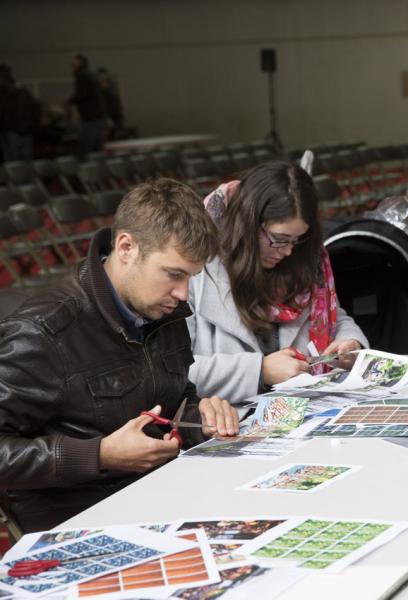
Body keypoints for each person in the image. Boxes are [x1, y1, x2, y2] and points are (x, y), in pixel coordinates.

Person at [0, 178, 240, 533]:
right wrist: (98, 455)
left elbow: (170, 398)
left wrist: (199, 416)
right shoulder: (43, 331)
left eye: (190, 277)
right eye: (174, 274)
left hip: (157, 494)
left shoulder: (163, 309)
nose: (184, 293)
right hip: (76, 520)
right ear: (126, 247)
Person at [187, 161, 368, 403]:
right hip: (232, 421)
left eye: (297, 240)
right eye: (279, 239)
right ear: (249, 225)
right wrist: (259, 371)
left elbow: (333, 316)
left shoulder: (305, 261)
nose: (288, 252)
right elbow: (174, 372)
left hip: (305, 411)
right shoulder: (194, 270)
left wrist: (349, 343)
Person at [0, 62, 40, 162]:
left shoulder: (3, 93)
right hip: (27, 132)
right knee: (26, 164)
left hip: (10, 132)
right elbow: (36, 108)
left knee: (13, 165)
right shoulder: (23, 91)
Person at [68, 53, 106, 158]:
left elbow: (82, 94)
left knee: (86, 148)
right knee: (97, 148)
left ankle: (87, 171)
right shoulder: (91, 75)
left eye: (74, 61)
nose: (71, 63)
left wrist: (69, 100)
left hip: (90, 117)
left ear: (80, 62)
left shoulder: (81, 75)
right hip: (97, 115)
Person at [97, 67, 125, 137]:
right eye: (100, 76)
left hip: (114, 108)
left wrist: (106, 88)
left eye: (103, 76)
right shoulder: (96, 86)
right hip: (103, 110)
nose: (102, 78)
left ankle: (119, 133)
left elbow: (115, 95)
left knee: (118, 123)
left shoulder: (111, 84)